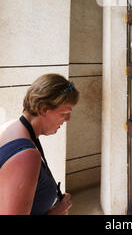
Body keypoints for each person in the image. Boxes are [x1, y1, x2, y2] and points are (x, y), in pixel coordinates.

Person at [0, 73, 79, 215]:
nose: (68, 119)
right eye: (64, 113)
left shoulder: (11, 127)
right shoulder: (27, 156)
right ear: (43, 109)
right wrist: (55, 212)